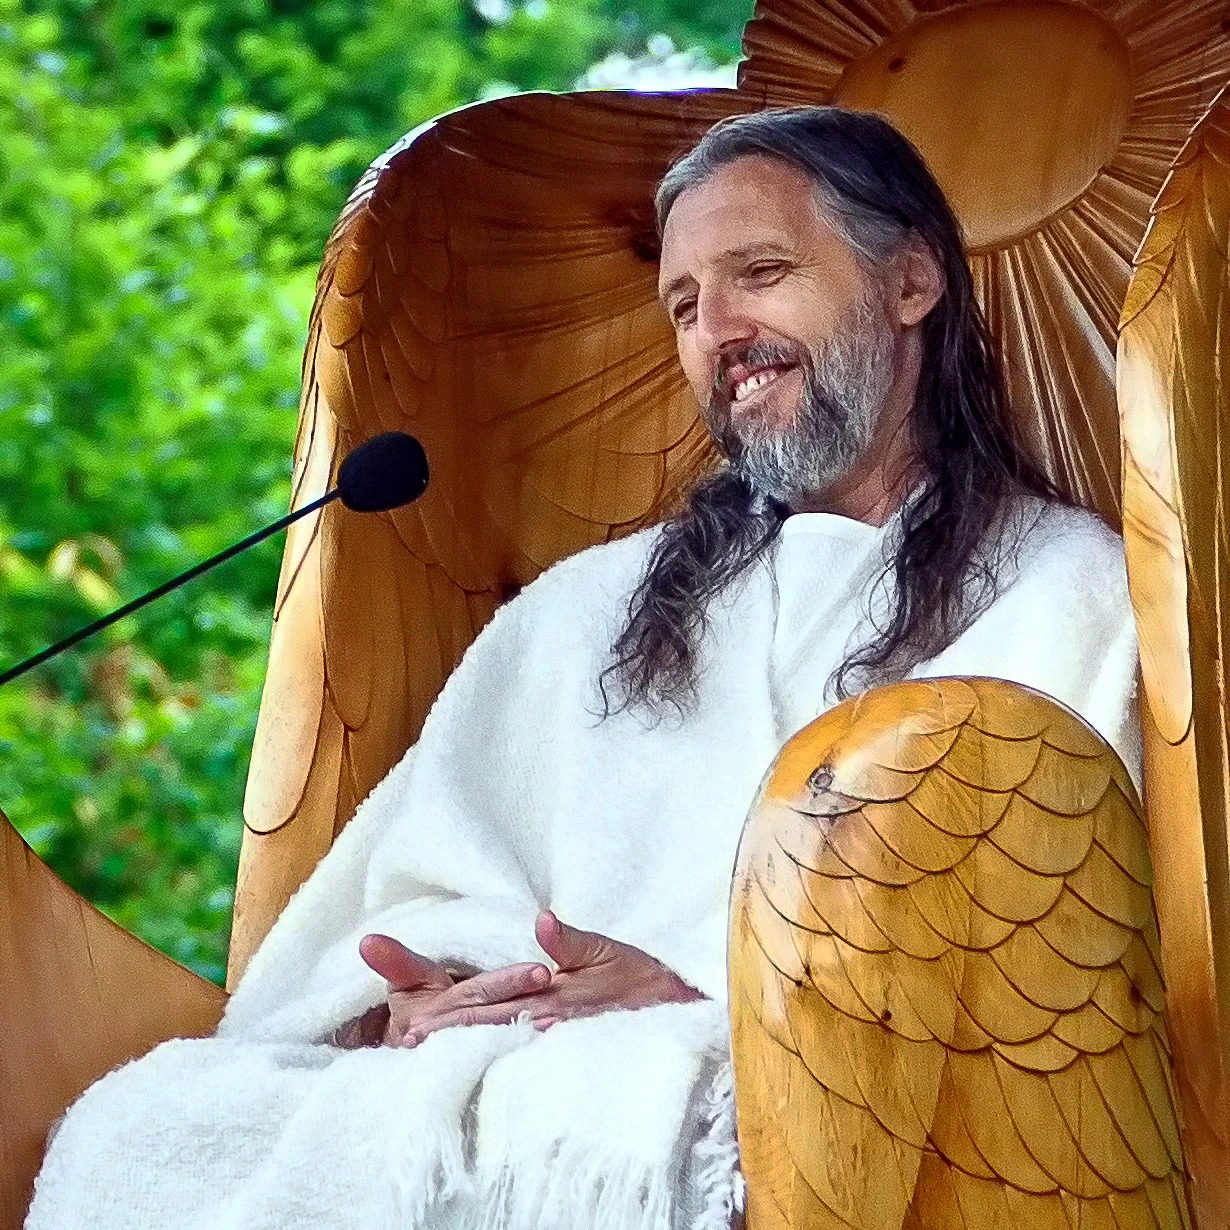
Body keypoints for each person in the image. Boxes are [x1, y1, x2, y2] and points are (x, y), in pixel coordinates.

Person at [27, 107, 1138, 1230]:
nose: (720, 334)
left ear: (910, 284)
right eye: (686, 308)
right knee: (142, 1127)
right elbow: (407, 900)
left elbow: (1069, 996)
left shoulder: (1061, 594)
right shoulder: (587, 609)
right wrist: (416, 1001)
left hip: (817, 1135)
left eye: (760, 274)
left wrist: (709, 1012)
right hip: (507, 1086)